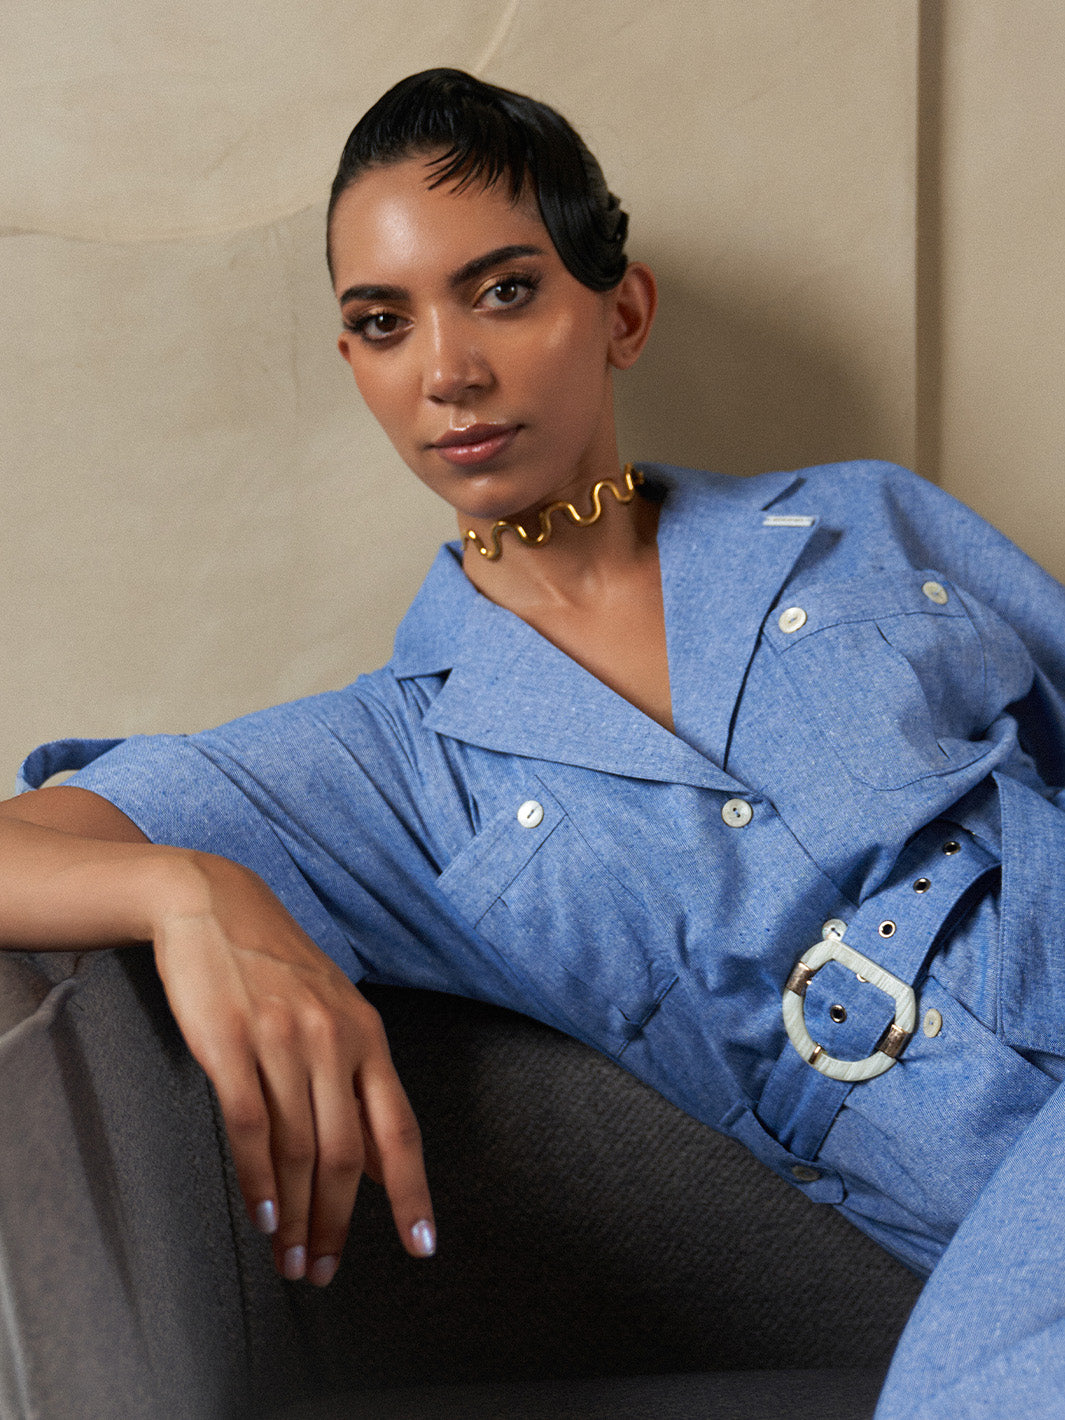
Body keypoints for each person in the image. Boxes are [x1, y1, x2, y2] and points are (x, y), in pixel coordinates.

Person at [4, 67, 1065, 1415]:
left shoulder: (867, 522)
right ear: (355, 366)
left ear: (620, 312)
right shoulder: (390, 768)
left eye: (503, 291)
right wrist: (185, 888)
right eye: (383, 322)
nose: (448, 369)